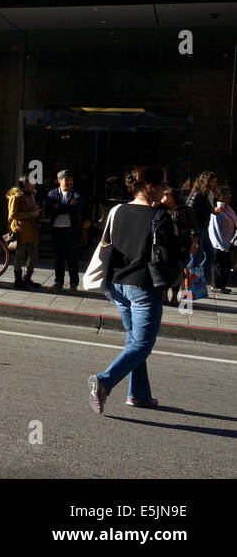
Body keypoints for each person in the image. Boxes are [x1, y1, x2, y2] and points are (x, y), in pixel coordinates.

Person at [88, 166, 182, 414]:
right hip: (143, 286)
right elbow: (170, 253)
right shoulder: (159, 216)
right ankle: (105, 381)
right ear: (149, 186)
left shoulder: (117, 210)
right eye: (162, 184)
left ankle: (138, 395)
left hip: (118, 284)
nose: (164, 189)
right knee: (142, 344)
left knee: (133, 341)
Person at [45, 170, 84, 293]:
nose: (69, 182)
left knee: (72, 257)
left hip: (71, 230)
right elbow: (49, 210)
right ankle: (58, 282)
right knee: (58, 257)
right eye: (66, 180)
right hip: (57, 229)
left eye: (71, 180)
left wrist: (60, 206)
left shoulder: (76, 193)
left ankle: (73, 284)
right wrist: (68, 204)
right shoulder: (52, 194)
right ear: (59, 180)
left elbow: (77, 209)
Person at [162, 185, 198, 306]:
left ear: (173, 197)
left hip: (182, 245)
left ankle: (174, 297)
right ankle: (164, 295)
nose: (163, 196)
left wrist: (195, 244)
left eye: (166, 194)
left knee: (178, 270)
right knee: (165, 269)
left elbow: (193, 228)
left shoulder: (186, 210)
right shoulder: (161, 209)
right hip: (166, 245)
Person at [4, 176, 40, 288]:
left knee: (33, 255)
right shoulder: (16, 196)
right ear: (25, 183)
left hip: (31, 229)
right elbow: (12, 215)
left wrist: (35, 211)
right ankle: (18, 281)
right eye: (32, 182)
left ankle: (27, 278)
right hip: (20, 229)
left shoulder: (32, 194)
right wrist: (31, 214)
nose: (34, 184)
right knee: (19, 255)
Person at [186, 171, 220, 288]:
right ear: (207, 181)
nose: (215, 184)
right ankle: (190, 284)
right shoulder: (198, 194)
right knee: (195, 257)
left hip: (204, 229)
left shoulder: (208, 194)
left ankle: (195, 281)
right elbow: (190, 210)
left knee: (210, 255)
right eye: (214, 181)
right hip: (197, 229)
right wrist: (210, 211)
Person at [207, 186, 234, 294]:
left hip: (227, 242)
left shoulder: (227, 207)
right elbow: (215, 228)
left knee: (226, 265)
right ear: (220, 196)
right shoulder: (218, 207)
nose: (229, 197)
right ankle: (216, 286)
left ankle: (221, 285)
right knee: (219, 265)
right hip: (219, 243)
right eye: (226, 195)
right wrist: (222, 245)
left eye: (229, 195)